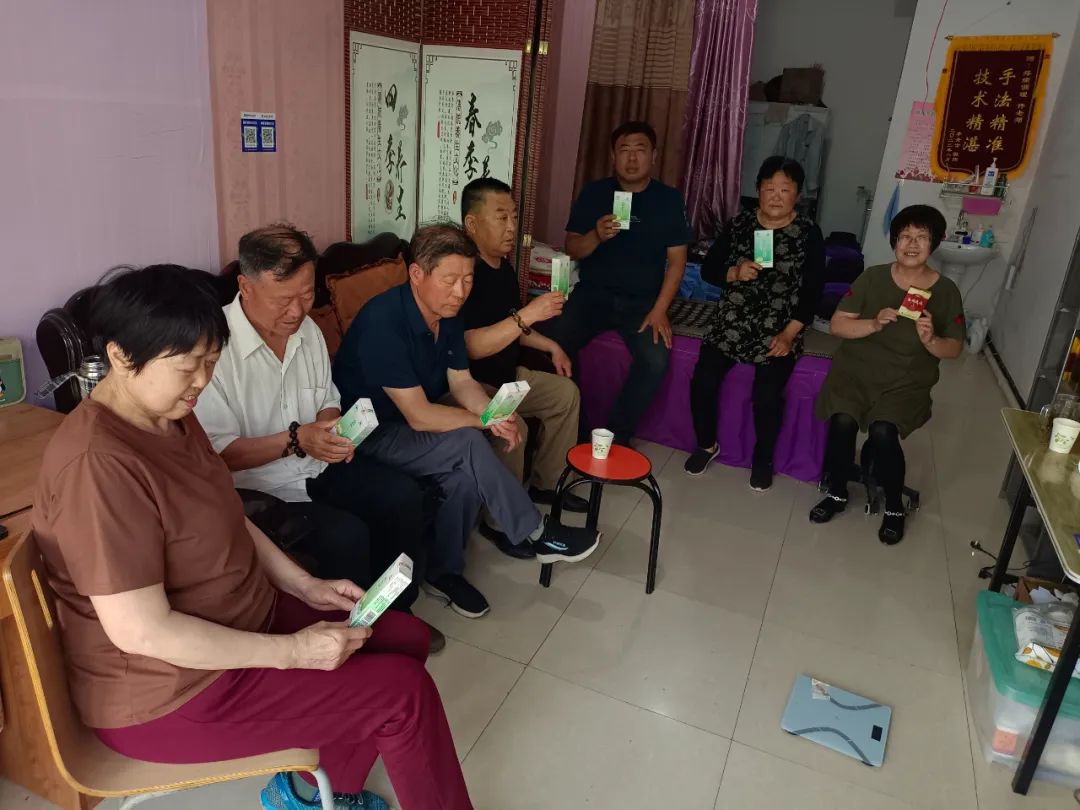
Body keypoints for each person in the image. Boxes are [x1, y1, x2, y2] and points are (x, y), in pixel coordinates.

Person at [31, 266, 472, 810]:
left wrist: (303, 585)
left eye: (210, 362)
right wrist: (292, 652)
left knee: (405, 638)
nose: (202, 382)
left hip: (242, 620)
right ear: (121, 357)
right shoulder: (97, 467)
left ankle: (315, 794)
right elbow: (142, 631)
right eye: (187, 366)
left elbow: (227, 513)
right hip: (172, 691)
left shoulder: (170, 415)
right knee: (403, 695)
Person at [193, 224, 444, 653]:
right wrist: (296, 440)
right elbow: (218, 454)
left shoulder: (307, 332)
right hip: (258, 488)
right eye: (283, 300)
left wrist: (331, 430)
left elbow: (327, 399)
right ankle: (355, 639)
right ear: (245, 287)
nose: (297, 311)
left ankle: (396, 615)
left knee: (402, 498)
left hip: (315, 463)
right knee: (346, 536)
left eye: (307, 295)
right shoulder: (213, 348)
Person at [332, 223, 601, 619]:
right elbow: (420, 416)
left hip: (410, 420)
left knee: (463, 473)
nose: (460, 291)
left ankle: (443, 573)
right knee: (468, 442)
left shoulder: (447, 313)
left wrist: (492, 414)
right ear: (417, 274)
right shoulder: (383, 321)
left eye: (468, 279)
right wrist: (479, 423)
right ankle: (537, 532)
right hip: (370, 433)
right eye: (450, 280)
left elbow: (461, 381)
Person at [810, 205, 964, 544]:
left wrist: (931, 339)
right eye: (905, 236)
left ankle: (894, 506)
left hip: (906, 381)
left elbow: (954, 348)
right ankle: (837, 491)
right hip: (855, 372)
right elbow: (837, 325)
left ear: (934, 243)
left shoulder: (945, 291)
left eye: (921, 237)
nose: (912, 244)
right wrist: (874, 323)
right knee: (842, 422)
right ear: (894, 241)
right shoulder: (872, 278)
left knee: (883, 431)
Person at [459, 177, 589, 555]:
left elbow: (512, 325)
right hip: (474, 384)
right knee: (511, 423)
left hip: (508, 376)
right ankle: (499, 522)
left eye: (514, 217)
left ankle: (547, 484)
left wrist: (552, 346)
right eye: (501, 217)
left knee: (565, 394)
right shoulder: (463, 274)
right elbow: (470, 347)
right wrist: (529, 315)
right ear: (471, 224)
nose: (511, 227)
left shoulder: (502, 268)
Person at [547, 120, 694, 446]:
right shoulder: (595, 193)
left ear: (653, 156)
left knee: (655, 360)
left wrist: (660, 309)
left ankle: (616, 436)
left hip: (642, 302)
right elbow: (572, 248)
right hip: (593, 296)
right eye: (624, 150)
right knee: (556, 339)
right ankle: (577, 430)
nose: (632, 158)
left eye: (640, 150)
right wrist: (596, 236)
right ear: (613, 156)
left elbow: (677, 262)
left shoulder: (669, 200)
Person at [684, 157, 825, 491]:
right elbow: (709, 270)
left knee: (766, 395)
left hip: (780, 326)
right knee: (703, 380)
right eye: (769, 188)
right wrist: (734, 272)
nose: (776, 196)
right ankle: (706, 444)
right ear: (758, 190)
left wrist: (789, 335)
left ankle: (763, 459)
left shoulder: (809, 233)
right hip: (731, 321)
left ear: (797, 195)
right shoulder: (739, 224)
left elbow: (813, 290)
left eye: (785, 189)